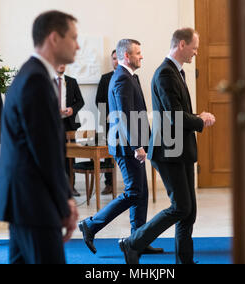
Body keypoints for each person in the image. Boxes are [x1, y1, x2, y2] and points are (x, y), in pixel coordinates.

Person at [0, 10, 79, 264]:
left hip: (25, 200)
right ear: (54, 38)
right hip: (33, 201)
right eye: (73, 37)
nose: (78, 45)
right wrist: (66, 202)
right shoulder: (36, 80)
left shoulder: (32, 74)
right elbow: (45, 152)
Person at [119, 28, 216, 264]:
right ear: (181, 44)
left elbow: (177, 112)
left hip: (179, 150)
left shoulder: (176, 72)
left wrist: (195, 115)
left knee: (188, 210)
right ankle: (133, 242)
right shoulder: (165, 73)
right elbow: (175, 116)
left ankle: (185, 261)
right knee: (181, 207)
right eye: (194, 47)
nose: (196, 52)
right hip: (168, 151)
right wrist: (200, 120)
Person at [78, 39, 163, 256]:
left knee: (140, 193)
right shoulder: (122, 79)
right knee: (134, 191)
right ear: (126, 56)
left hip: (132, 145)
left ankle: (137, 241)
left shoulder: (129, 77)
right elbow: (124, 117)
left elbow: (139, 114)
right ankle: (91, 225)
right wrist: (136, 146)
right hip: (127, 147)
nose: (141, 56)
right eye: (138, 53)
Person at [55, 64, 85, 197]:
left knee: (70, 158)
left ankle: (71, 187)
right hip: (52, 124)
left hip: (69, 125)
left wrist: (72, 109)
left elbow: (80, 101)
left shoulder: (71, 81)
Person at [95, 49, 119, 195]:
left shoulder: (133, 77)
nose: (116, 61)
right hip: (109, 122)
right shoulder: (105, 78)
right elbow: (99, 100)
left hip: (127, 122)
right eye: (114, 58)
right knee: (109, 153)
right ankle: (109, 183)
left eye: (118, 58)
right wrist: (109, 114)